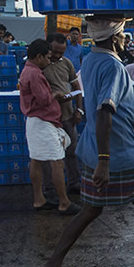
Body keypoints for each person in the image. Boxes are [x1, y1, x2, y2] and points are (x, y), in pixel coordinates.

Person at [34, 15, 134, 267]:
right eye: (122, 36)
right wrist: (104, 161)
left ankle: (53, 265)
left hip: (94, 147)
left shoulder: (91, 59)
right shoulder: (114, 66)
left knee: (91, 209)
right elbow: (105, 110)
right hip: (117, 151)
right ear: (114, 38)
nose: (124, 41)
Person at [18, 38, 80, 217]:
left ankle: (39, 199)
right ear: (38, 57)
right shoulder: (35, 74)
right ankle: (64, 202)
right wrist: (58, 94)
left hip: (35, 121)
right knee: (57, 161)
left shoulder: (27, 71)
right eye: (46, 57)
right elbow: (44, 100)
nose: (49, 60)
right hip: (43, 121)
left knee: (36, 160)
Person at [41, 32, 85, 196]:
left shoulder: (66, 63)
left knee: (71, 151)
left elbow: (76, 88)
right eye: (54, 51)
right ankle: (50, 188)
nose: (58, 55)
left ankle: (74, 183)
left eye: (61, 52)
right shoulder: (41, 65)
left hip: (67, 115)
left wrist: (79, 110)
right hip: (48, 119)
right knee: (49, 156)